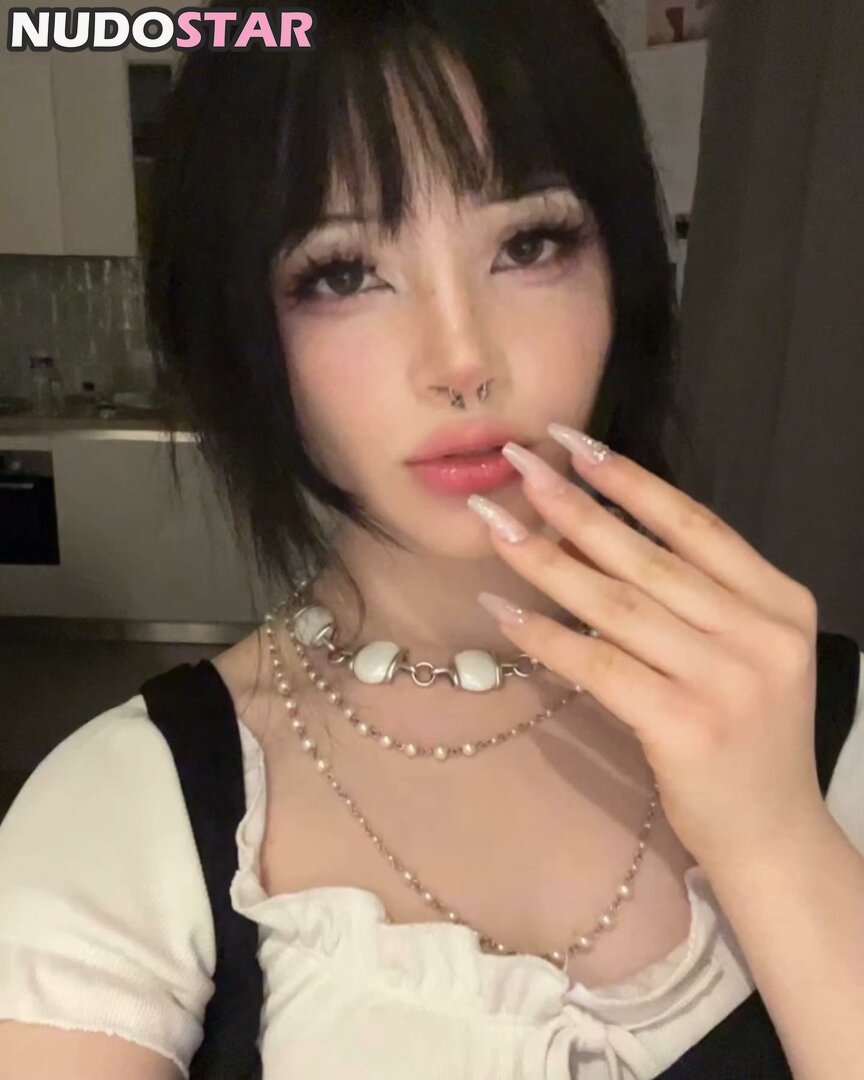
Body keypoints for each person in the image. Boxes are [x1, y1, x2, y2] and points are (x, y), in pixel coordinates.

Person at [1, 2, 862, 1078]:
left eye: (529, 244)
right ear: (235, 326)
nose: (461, 360)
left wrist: (777, 837)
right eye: (342, 272)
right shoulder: (124, 815)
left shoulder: (817, 718)